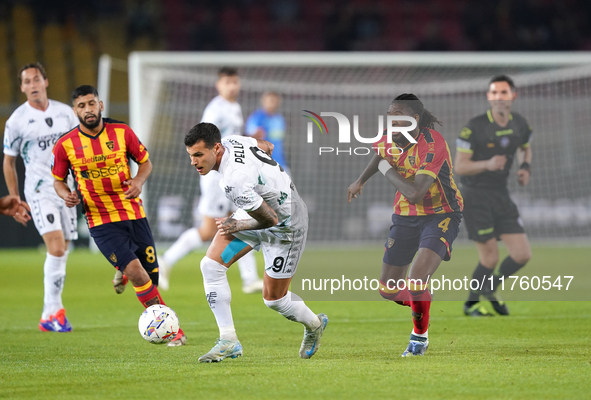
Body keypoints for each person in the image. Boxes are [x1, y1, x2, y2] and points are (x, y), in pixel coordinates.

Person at [52, 85, 186, 346]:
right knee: (139, 274)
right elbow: (58, 180)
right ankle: (172, 331)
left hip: (133, 212)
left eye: (91, 104)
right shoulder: (65, 145)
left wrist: (138, 181)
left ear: (100, 105)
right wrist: (65, 194)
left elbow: (145, 162)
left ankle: (122, 269)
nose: (88, 110)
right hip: (100, 220)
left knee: (151, 277)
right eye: (81, 106)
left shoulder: (122, 132)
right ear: (74, 111)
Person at [184, 122, 328, 363]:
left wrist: (239, 224)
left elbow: (271, 218)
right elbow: (267, 146)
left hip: (286, 225)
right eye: (190, 156)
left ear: (216, 148)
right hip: (255, 211)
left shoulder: (233, 182)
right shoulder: (234, 140)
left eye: (198, 155)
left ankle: (314, 324)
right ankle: (228, 341)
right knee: (210, 266)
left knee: (275, 300)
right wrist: (267, 182)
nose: (194, 162)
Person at [348, 94, 463, 357]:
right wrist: (360, 181)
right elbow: (380, 156)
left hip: (441, 213)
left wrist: (388, 171)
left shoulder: (433, 145)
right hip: (405, 216)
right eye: (389, 116)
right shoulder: (389, 135)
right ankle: (421, 299)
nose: (391, 122)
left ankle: (419, 338)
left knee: (416, 279)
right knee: (387, 290)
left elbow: (415, 193)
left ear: (413, 120)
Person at [159, 67, 263, 294]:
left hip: (229, 175)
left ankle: (249, 278)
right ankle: (165, 260)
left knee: (239, 220)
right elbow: (202, 140)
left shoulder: (234, 107)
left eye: (235, 82)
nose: (232, 86)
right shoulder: (215, 110)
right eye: (227, 82)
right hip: (216, 178)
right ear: (218, 85)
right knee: (211, 228)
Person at [3, 62, 79, 332]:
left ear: (46, 82)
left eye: (37, 79)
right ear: (22, 87)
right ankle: (54, 312)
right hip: (38, 190)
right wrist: (14, 198)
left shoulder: (66, 114)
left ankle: (49, 313)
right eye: (27, 81)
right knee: (56, 248)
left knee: (63, 249)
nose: (32, 85)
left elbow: (79, 148)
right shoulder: (16, 121)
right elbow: (8, 163)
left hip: (66, 189)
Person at [455, 75, 532, 317]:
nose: (499, 97)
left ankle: (491, 287)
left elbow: (525, 147)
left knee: (522, 255)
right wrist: (487, 164)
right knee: (490, 258)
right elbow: (460, 167)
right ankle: (471, 305)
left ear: (513, 95)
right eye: (494, 93)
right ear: (489, 97)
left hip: (501, 195)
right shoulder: (474, 127)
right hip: (475, 197)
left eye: (503, 92)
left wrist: (525, 167)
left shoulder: (520, 124)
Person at [245, 91, 288, 172]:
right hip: (262, 164)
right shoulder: (256, 118)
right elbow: (250, 139)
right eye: (271, 101)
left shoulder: (280, 119)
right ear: (263, 101)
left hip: (280, 163)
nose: (273, 104)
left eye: (275, 101)